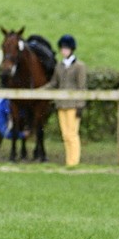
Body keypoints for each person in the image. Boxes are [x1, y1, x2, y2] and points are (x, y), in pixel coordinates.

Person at [46, 34, 86, 167]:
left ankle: (73, 162)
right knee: (65, 135)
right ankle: (69, 160)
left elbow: (82, 87)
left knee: (72, 134)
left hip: (73, 104)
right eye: (62, 48)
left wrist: (80, 105)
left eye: (66, 49)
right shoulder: (59, 66)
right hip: (61, 104)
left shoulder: (79, 66)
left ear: (71, 50)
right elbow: (53, 83)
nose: (64, 51)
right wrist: (40, 90)